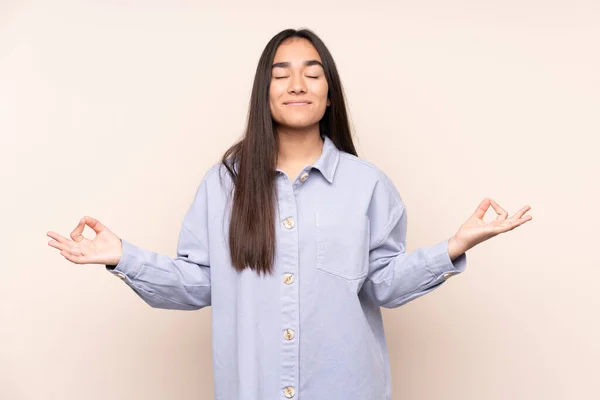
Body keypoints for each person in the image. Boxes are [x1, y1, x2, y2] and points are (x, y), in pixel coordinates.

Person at [46, 28, 532, 400]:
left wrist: (455, 246)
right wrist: (122, 257)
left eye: (313, 74)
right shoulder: (224, 184)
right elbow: (199, 284)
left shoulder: (367, 184)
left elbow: (384, 284)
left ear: (329, 92)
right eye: (281, 74)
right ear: (265, 91)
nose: (297, 84)